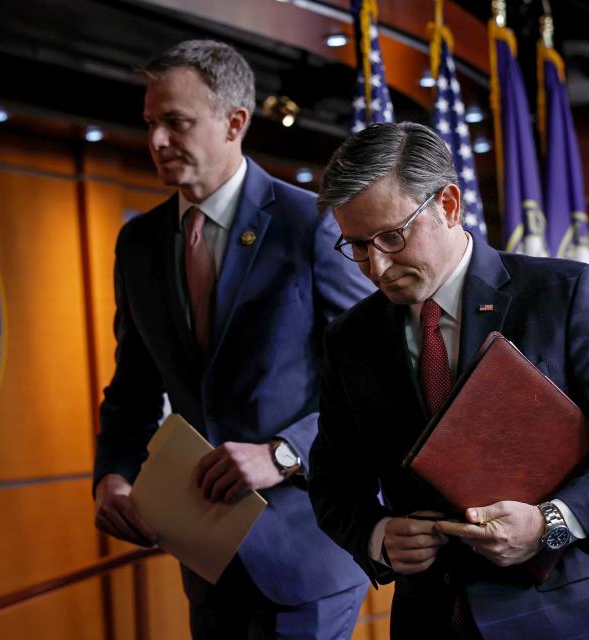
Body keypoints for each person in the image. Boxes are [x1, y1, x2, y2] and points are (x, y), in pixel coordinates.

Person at [306, 122, 589, 639]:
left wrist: (551, 523)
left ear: (448, 205)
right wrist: (377, 535)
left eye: (391, 237)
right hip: (432, 620)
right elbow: (334, 481)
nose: (376, 266)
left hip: (574, 618)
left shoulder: (564, 293)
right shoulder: (349, 337)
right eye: (356, 246)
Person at [92, 40, 372, 639]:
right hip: (207, 558)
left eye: (176, 122)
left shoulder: (314, 224)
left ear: (235, 122)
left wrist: (283, 453)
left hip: (309, 554)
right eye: (151, 124)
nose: (158, 141)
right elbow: (133, 387)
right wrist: (111, 474)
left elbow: (375, 380)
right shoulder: (137, 244)